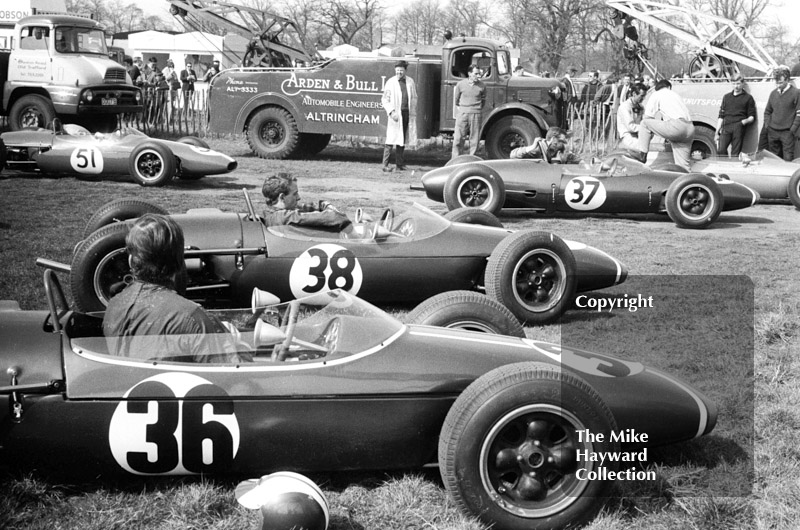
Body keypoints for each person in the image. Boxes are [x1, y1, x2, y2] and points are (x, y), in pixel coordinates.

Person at [102, 214, 242, 362]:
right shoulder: (194, 318)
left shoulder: (113, 306)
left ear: (131, 261)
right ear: (179, 263)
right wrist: (232, 343)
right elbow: (227, 377)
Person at [628, 78, 695, 170]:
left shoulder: (656, 94)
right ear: (668, 87)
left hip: (676, 126)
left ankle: (642, 156)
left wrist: (646, 138)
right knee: (683, 167)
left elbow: (648, 117)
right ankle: (689, 182)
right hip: (690, 128)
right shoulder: (676, 95)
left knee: (644, 124)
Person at [261, 173, 351, 230]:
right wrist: (328, 207)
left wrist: (318, 206)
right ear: (282, 197)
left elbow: (303, 208)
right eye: (295, 194)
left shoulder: (272, 215)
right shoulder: (284, 217)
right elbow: (336, 217)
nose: (298, 197)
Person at [381, 60, 417, 172]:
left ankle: (399, 164)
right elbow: (385, 100)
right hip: (395, 115)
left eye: (401, 70)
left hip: (406, 113)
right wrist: (391, 112)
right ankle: (385, 165)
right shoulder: (390, 82)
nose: (399, 73)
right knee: (390, 140)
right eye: (397, 71)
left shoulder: (410, 82)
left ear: (405, 70)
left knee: (402, 140)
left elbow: (414, 97)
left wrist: (412, 111)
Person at [763, 65, 800, 161]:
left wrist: (792, 130)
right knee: (774, 160)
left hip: (787, 133)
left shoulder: (796, 93)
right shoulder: (773, 93)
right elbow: (767, 111)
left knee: (787, 159)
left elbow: (799, 113)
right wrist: (768, 125)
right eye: (776, 82)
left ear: (787, 80)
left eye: (780, 82)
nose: (778, 85)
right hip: (772, 131)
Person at [715, 74, 756, 156]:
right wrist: (716, 132)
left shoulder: (748, 98)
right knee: (721, 150)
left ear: (742, 84)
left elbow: (752, 117)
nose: (736, 86)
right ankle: (725, 166)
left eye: (738, 84)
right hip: (726, 126)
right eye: (733, 84)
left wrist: (743, 122)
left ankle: (733, 167)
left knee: (735, 153)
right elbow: (721, 116)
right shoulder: (726, 97)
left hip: (739, 126)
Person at [452, 64, 486, 158]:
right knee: (458, 138)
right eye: (476, 74)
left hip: (476, 114)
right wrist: (463, 109)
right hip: (463, 113)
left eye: (479, 74)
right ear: (469, 73)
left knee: (474, 139)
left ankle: (471, 159)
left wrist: (476, 109)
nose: (478, 76)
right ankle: (455, 160)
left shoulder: (482, 86)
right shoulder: (461, 84)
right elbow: (456, 99)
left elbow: (483, 100)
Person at [616, 82, 647, 150]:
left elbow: (644, 121)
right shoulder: (625, 107)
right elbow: (630, 127)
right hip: (627, 137)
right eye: (641, 96)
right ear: (634, 94)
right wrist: (645, 128)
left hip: (637, 135)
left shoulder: (641, 107)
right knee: (642, 148)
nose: (643, 98)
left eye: (644, 96)